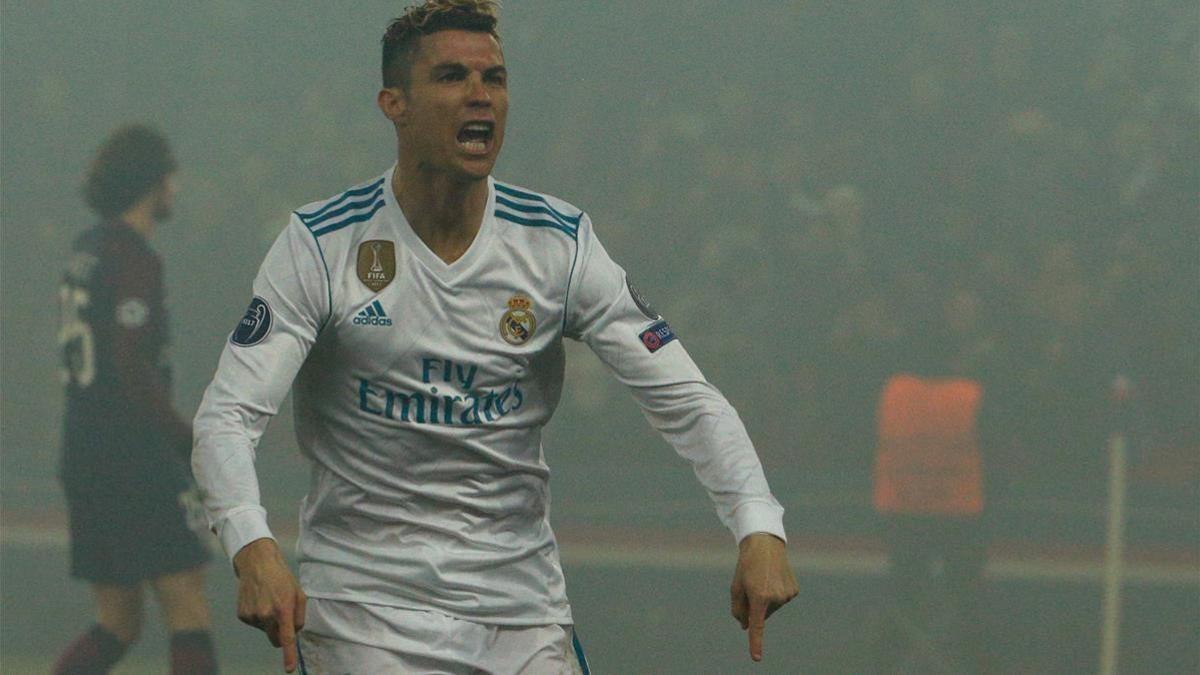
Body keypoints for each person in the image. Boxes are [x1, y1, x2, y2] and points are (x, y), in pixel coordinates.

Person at [192, 2, 797, 672]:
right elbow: (228, 415)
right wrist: (253, 544)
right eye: (453, 76)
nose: (481, 96)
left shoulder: (557, 244)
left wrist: (758, 523)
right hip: (364, 615)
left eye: (496, 78)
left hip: (522, 615)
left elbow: (687, 399)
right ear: (395, 103)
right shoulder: (322, 244)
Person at [55, 125, 217, 675]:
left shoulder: (86, 250)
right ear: (152, 181)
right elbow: (130, 366)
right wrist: (185, 436)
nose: (175, 186)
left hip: (82, 450)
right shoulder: (134, 260)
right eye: (170, 175)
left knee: (118, 620)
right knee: (187, 603)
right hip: (133, 456)